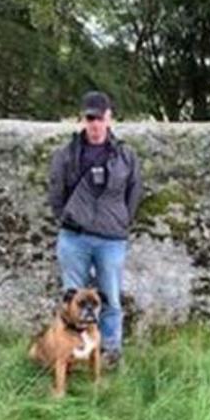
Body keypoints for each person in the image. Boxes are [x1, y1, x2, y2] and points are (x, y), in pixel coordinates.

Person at [47, 91, 143, 368]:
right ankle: (73, 353)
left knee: (111, 298)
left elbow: (135, 190)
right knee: (72, 299)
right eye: (90, 118)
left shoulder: (126, 156)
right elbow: (56, 191)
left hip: (111, 239)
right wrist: (67, 218)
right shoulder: (67, 155)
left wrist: (123, 219)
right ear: (83, 119)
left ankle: (110, 352)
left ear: (109, 118)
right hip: (74, 237)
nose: (95, 124)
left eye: (100, 118)